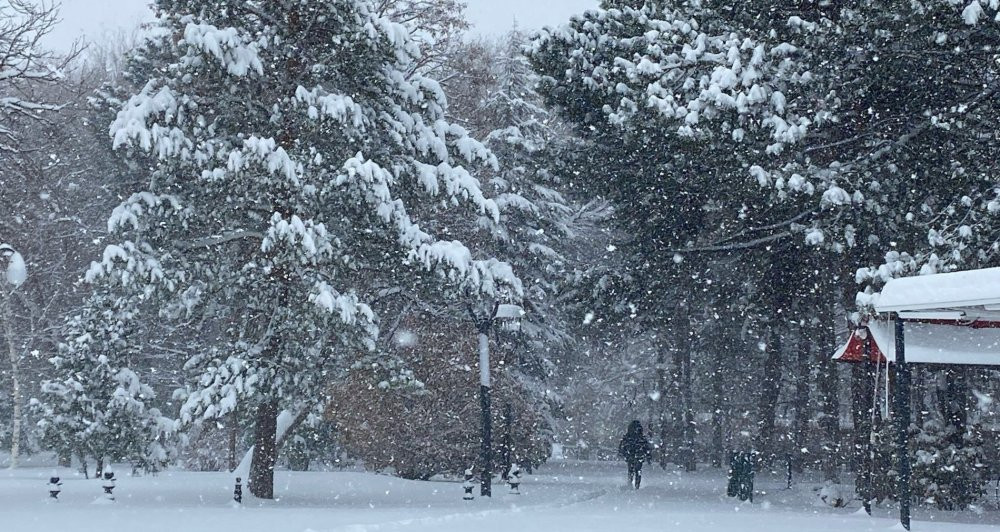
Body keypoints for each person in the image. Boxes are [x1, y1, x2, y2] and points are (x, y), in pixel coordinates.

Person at [618, 420, 652, 489]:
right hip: (639, 455)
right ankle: (637, 485)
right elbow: (646, 447)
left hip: (631, 455)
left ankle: (631, 483)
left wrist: (623, 453)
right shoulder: (641, 438)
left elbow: (623, 445)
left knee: (631, 470)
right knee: (638, 471)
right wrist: (648, 456)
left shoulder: (628, 437)